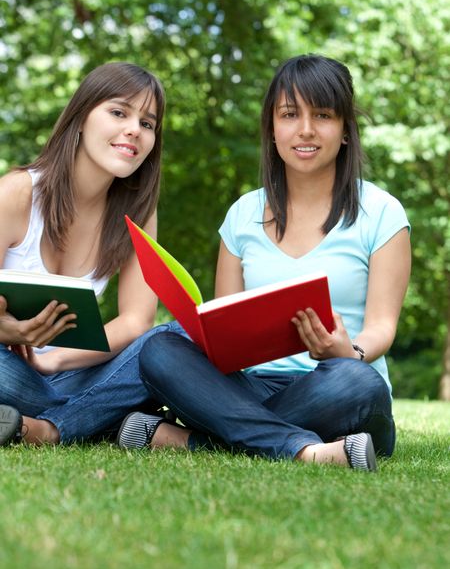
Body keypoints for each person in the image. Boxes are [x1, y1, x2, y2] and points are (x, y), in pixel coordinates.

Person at [117, 54, 411, 472]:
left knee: (358, 384)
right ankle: (306, 449)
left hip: (337, 381)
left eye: (322, 115)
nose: (305, 130)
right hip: (250, 385)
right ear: (272, 128)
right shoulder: (242, 215)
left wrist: (350, 352)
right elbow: (228, 325)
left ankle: (200, 441)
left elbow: (383, 325)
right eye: (290, 114)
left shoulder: (382, 213)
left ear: (345, 130)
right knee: (159, 349)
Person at [0, 61, 166, 446]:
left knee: (171, 342)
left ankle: (45, 427)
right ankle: (107, 416)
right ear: (80, 118)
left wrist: (53, 359)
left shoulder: (138, 212)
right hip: (8, 363)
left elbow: (137, 321)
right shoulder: (16, 193)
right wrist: (7, 330)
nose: (133, 130)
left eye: (147, 123)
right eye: (119, 112)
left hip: (66, 370)